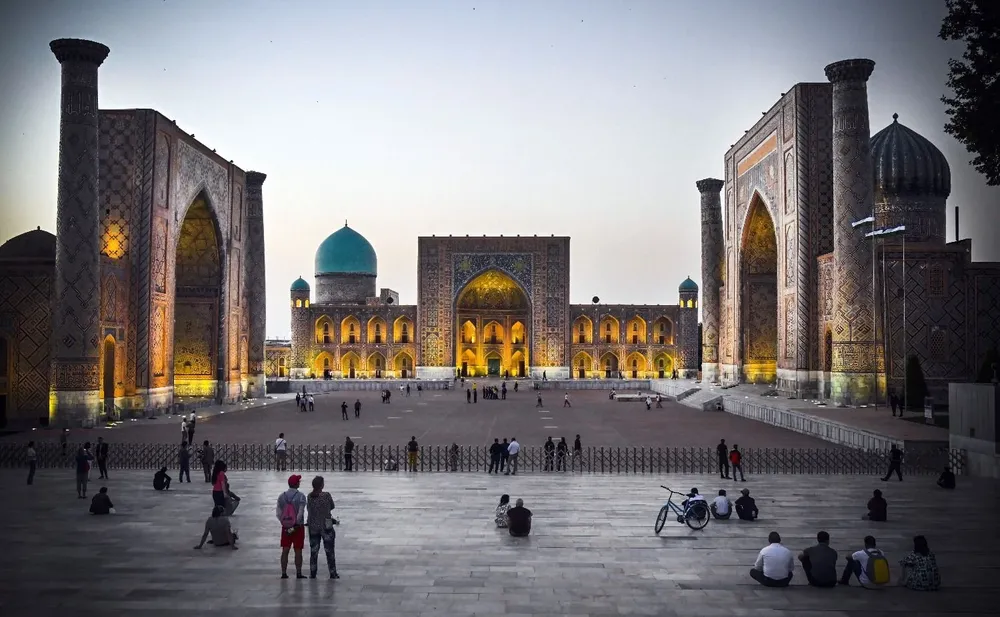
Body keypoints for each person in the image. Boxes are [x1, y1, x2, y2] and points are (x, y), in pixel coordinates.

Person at [306, 475, 339, 579]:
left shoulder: (309, 496)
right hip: (326, 526)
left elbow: (309, 508)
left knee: (314, 551)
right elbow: (332, 506)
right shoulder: (326, 495)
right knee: (330, 551)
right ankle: (333, 573)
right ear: (322, 485)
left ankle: (313, 572)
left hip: (313, 526)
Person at [277, 474, 308, 579]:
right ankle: (298, 572)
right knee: (298, 550)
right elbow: (300, 512)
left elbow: (278, 513)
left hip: (286, 527)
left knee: (285, 549)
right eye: (299, 481)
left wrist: (285, 523)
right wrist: (295, 524)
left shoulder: (281, 496)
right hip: (298, 528)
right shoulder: (301, 496)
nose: (300, 483)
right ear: (296, 484)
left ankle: (283, 573)